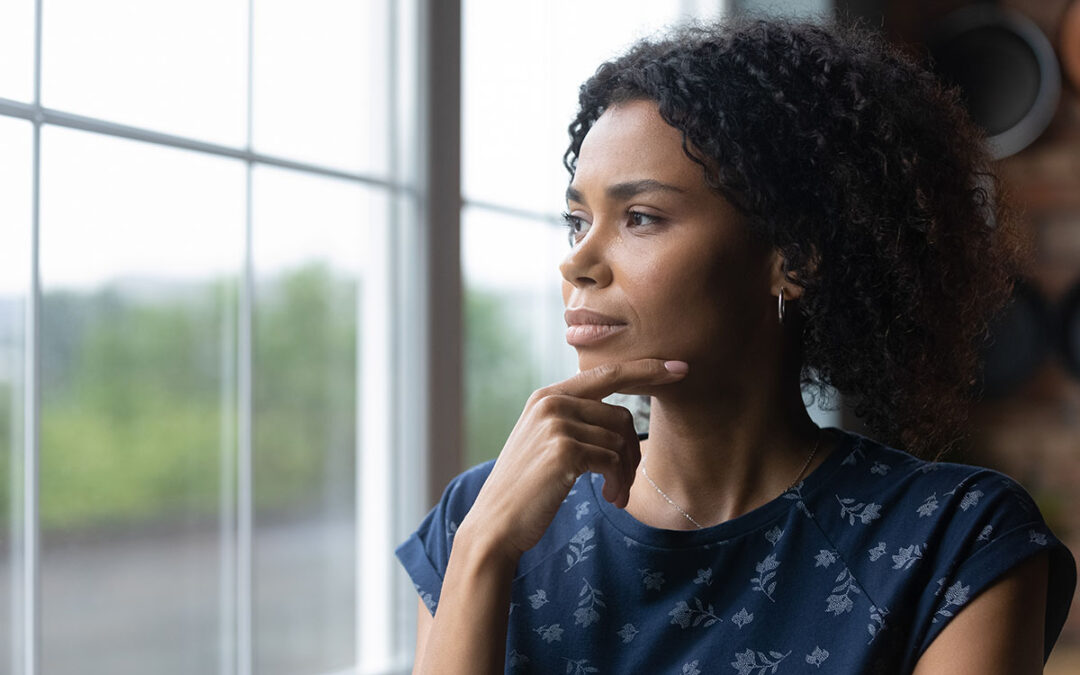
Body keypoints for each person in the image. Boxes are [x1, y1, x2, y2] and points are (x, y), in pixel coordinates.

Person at [396, 14, 1076, 674]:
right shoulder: (479, 515)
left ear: (796, 259)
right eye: (578, 221)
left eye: (640, 217)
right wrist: (483, 549)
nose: (578, 262)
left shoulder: (956, 541)